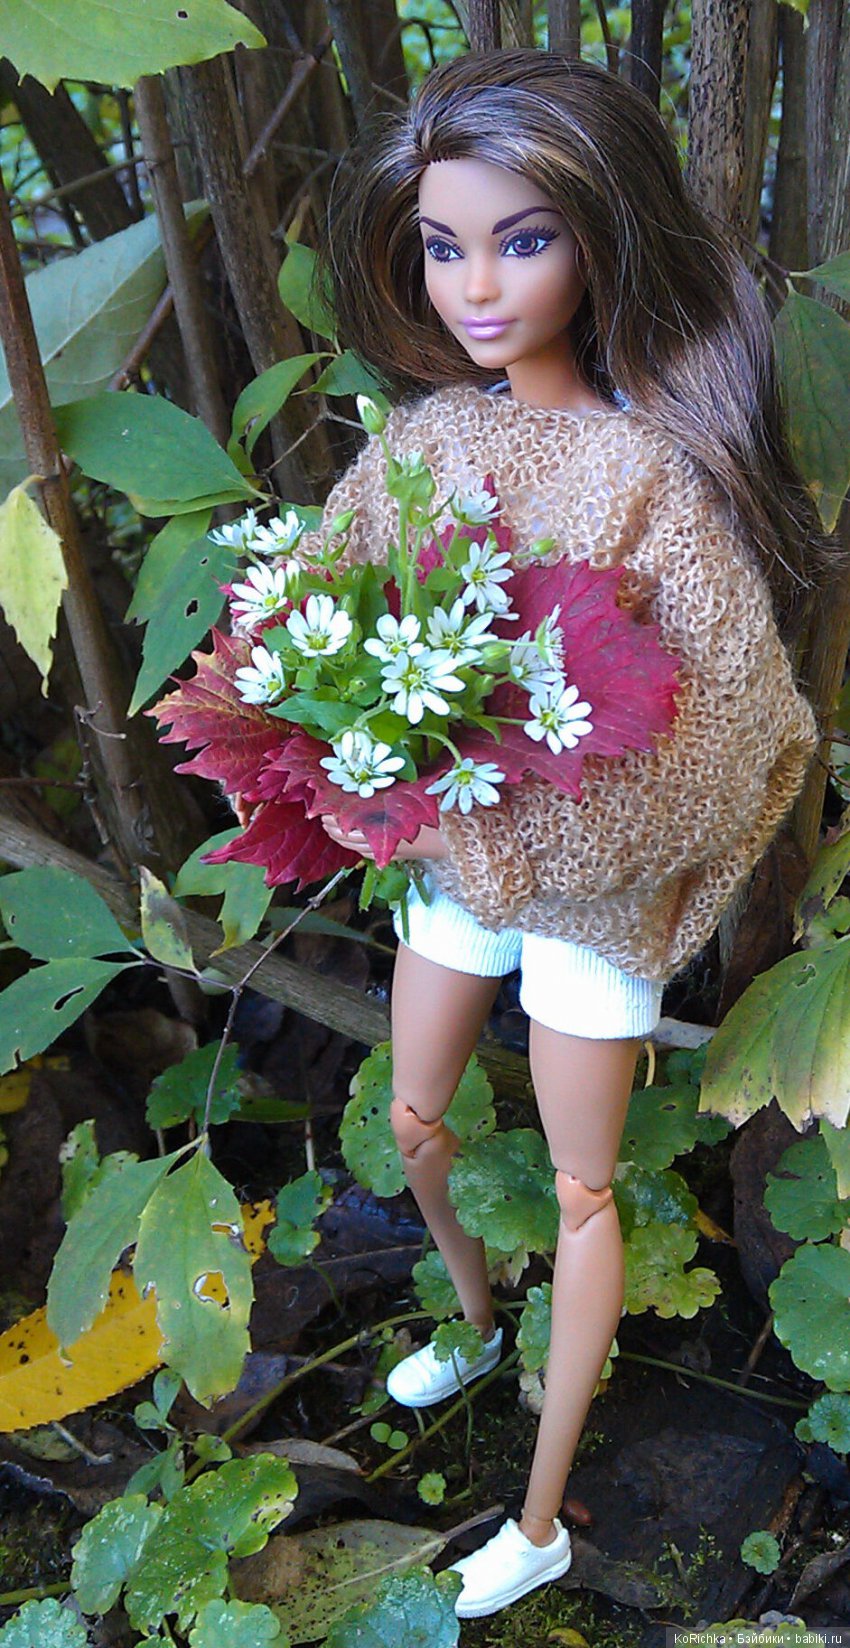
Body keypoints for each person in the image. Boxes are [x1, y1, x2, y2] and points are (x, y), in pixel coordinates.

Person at [312, 49, 819, 1620]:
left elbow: (739, 731)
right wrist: (355, 756)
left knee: (582, 1189)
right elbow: (323, 611)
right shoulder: (424, 441)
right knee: (413, 1115)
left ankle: (538, 1518)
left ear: (601, 239)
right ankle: (474, 1323)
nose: (475, 285)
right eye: (443, 245)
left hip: (590, 892)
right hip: (454, 852)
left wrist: (545, 832)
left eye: (520, 240)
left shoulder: (654, 471)